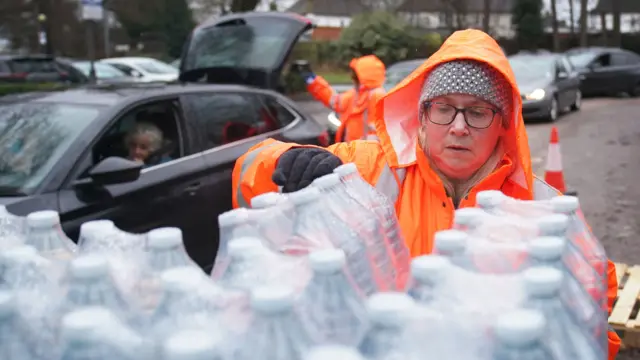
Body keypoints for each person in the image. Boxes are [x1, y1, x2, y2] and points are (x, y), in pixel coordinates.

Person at [231, 29, 620, 359]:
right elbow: (248, 173)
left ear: (503, 123)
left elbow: (594, 306)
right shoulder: (369, 168)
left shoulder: (543, 206)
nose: (459, 127)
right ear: (421, 114)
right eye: (444, 109)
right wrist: (289, 161)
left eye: (478, 112)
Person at [296, 55, 386, 142]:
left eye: (355, 75)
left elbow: (378, 132)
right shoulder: (356, 94)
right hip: (352, 151)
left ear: (362, 77)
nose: (352, 78)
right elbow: (334, 100)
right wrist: (313, 81)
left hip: (365, 153)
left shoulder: (377, 96)